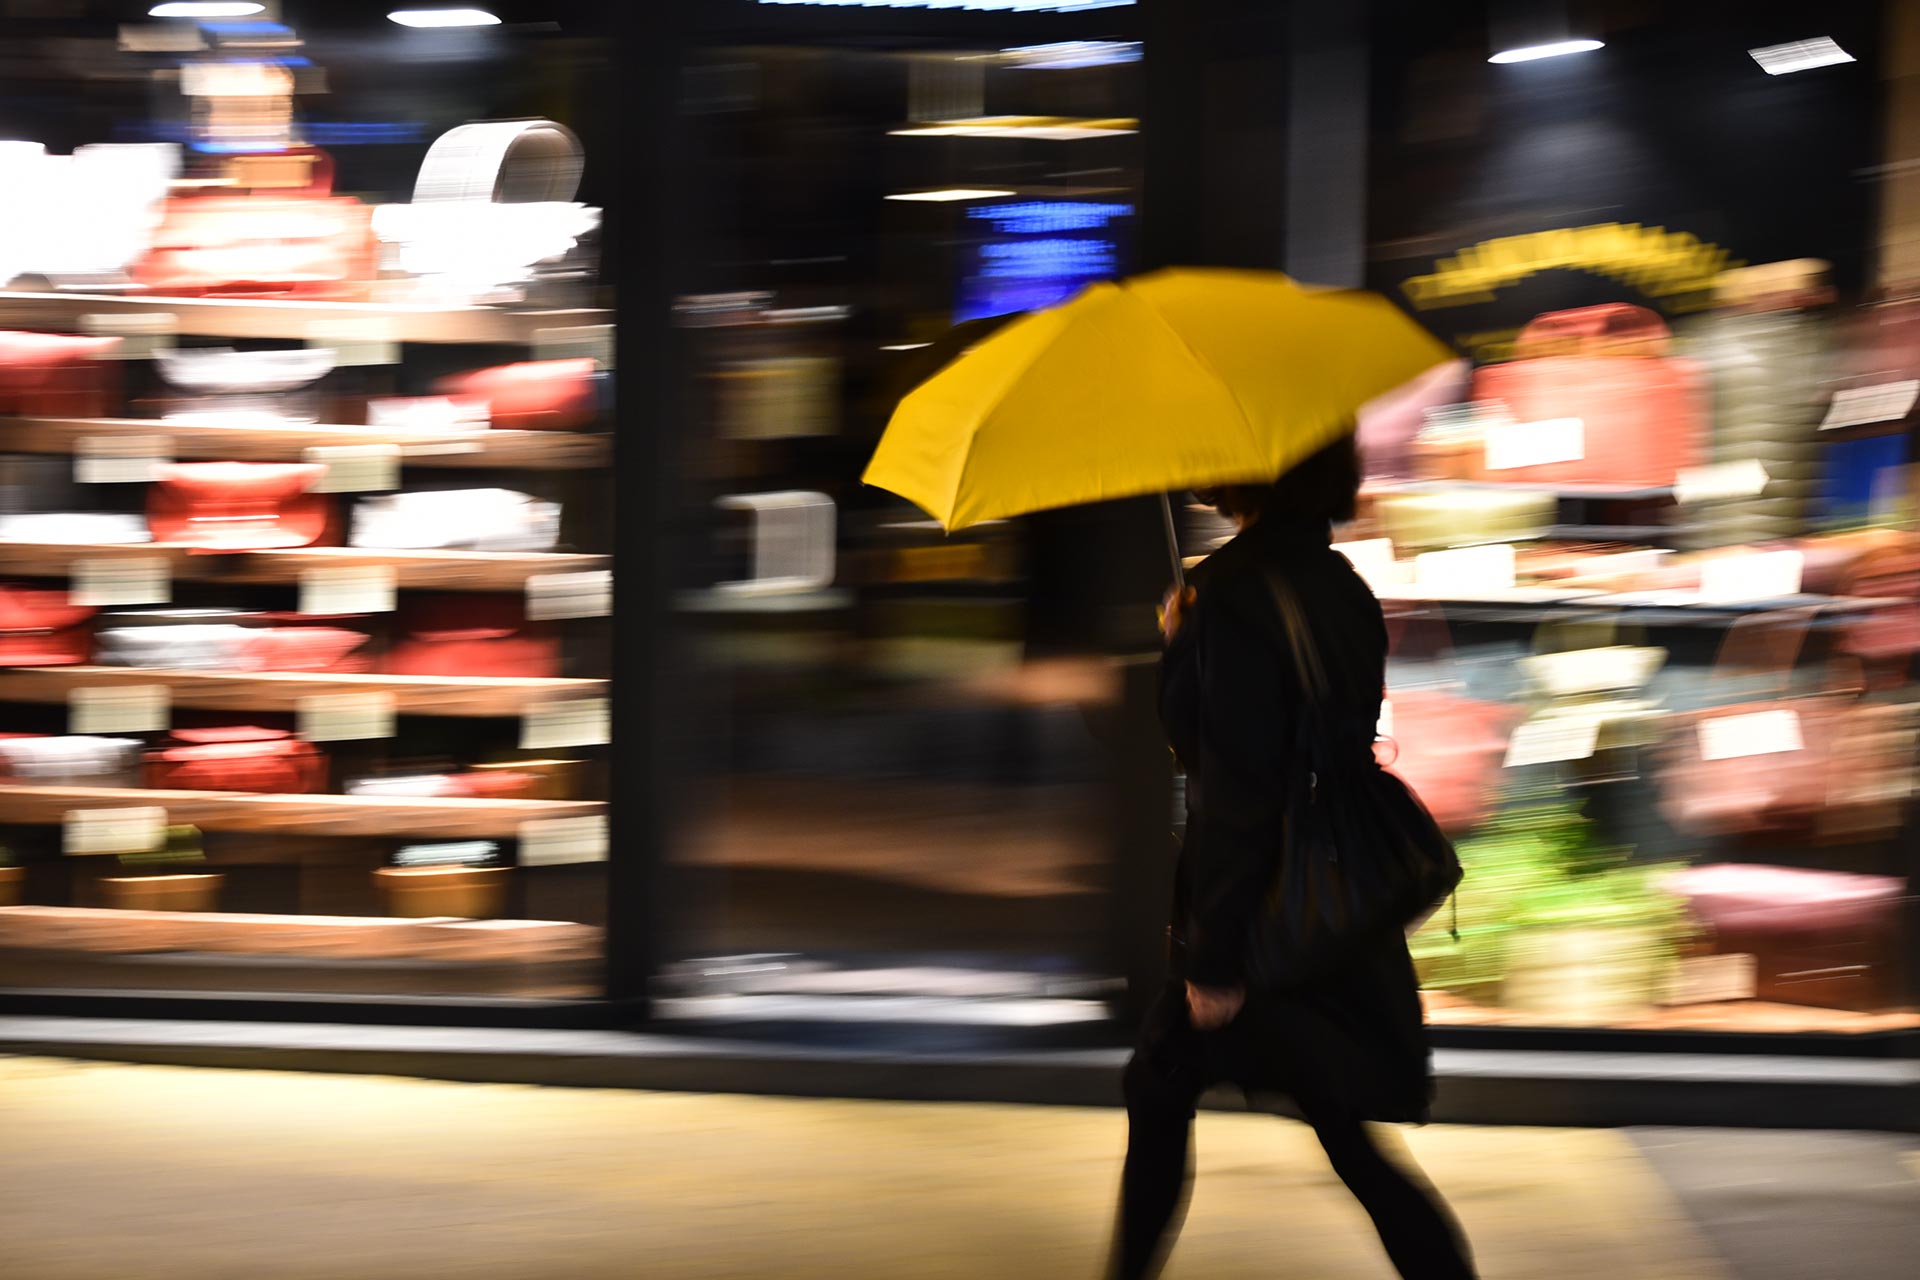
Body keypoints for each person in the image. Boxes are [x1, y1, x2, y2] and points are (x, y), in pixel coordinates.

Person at [1111, 432, 1476, 1280]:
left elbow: (1231, 780)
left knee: (1169, 1096)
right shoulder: (1345, 586)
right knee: (1335, 1134)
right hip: (1330, 902)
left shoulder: (1227, 594)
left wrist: (1215, 961)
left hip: (1260, 911)